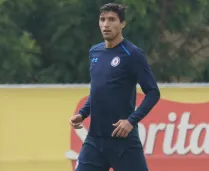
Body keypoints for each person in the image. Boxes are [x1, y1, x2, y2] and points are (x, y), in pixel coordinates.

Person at [69, 3, 160, 171]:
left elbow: (153, 92)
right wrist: (82, 114)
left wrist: (131, 121)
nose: (106, 24)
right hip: (95, 141)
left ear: (122, 24)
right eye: (102, 19)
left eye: (112, 20)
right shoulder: (94, 52)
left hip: (123, 142)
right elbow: (98, 90)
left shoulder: (132, 54)